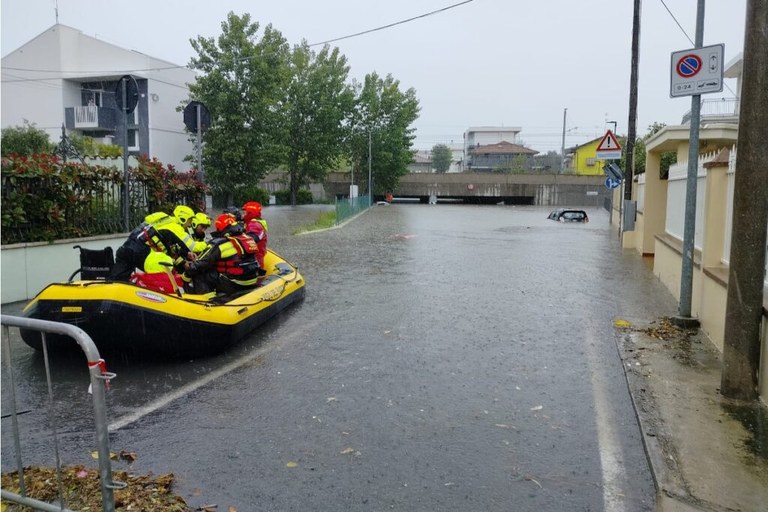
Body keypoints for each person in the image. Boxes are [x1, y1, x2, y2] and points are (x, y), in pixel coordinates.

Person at [110, 205, 198, 281]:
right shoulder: (174, 226)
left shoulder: (163, 221)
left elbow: (168, 247)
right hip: (141, 252)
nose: (189, 225)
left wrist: (186, 254)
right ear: (183, 218)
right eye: (189, 221)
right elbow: (192, 246)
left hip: (125, 249)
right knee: (166, 264)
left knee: (117, 279)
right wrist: (208, 246)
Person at [181, 213, 261, 295]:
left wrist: (185, 276)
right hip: (252, 279)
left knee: (200, 272)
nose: (204, 230)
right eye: (203, 227)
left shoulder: (220, 244)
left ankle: (206, 300)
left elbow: (201, 263)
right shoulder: (247, 239)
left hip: (234, 283)